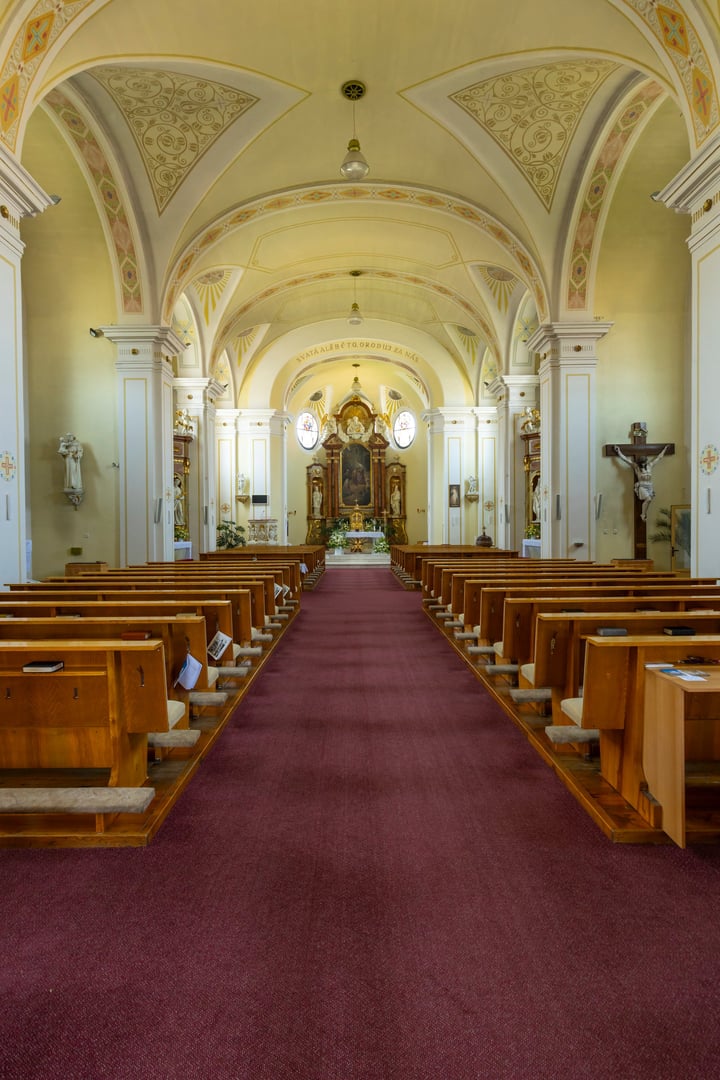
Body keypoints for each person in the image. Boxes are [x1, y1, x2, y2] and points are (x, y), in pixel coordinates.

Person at [613, 443, 669, 521]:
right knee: (648, 499)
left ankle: (644, 514)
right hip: (642, 486)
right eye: (642, 462)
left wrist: (665, 449)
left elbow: (659, 458)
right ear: (639, 463)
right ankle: (643, 515)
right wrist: (619, 452)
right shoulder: (636, 468)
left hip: (649, 486)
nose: (643, 463)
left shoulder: (650, 466)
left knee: (649, 501)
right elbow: (626, 459)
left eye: (644, 462)